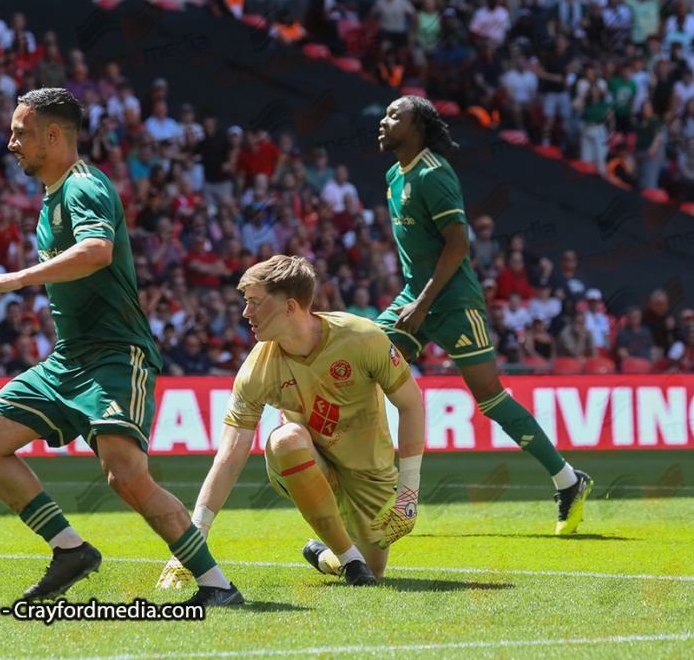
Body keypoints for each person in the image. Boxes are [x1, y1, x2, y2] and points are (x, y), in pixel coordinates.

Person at [0, 88, 242, 606]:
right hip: (68, 358)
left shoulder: (84, 186)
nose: (11, 143)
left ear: (52, 135)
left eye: (21, 133)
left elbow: (97, 251)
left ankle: (216, 585)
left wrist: (19, 279)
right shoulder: (53, 196)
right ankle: (70, 550)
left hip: (116, 353)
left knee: (125, 476)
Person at [374, 95, 592, 535]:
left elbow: (459, 245)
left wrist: (423, 303)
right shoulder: (394, 175)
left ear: (417, 127)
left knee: (490, 398)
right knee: (364, 365)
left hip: (454, 303)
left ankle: (569, 481)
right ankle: (381, 487)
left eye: (395, 115)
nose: (383, 119)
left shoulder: (434, 174)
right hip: (414, 297)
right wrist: (416, 299)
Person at [157, 256, 426, 590]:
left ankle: (328, 555)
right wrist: (193, 541)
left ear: (290, 306)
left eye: (255, 302)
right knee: (287, 439)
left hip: (369, 476)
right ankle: (349, 558)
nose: (246, 313)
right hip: (306, 462)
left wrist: (408, 491)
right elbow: (229, 454)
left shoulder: (362, 337)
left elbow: (411, 404)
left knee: (376, 569)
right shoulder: (256, 370)